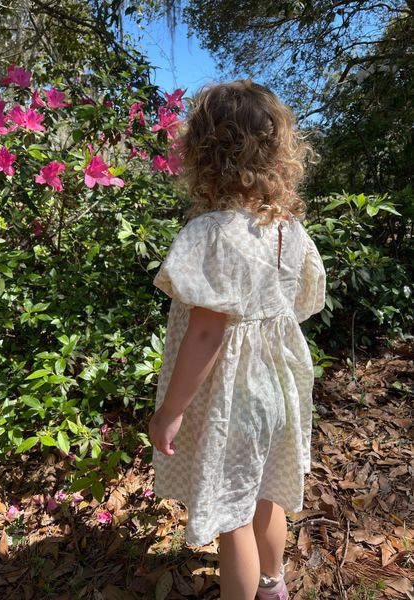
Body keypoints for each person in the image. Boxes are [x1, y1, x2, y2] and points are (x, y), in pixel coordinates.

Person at [148, 79, 326, 600]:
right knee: (267, 493)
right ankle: (275, 586)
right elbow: (300, 303)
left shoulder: (211, 233)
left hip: (233, 398)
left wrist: (170, 411)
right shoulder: (287, 231)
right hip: (280, 387)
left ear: (203, 154)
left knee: (232, 515)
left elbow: (206, 333)